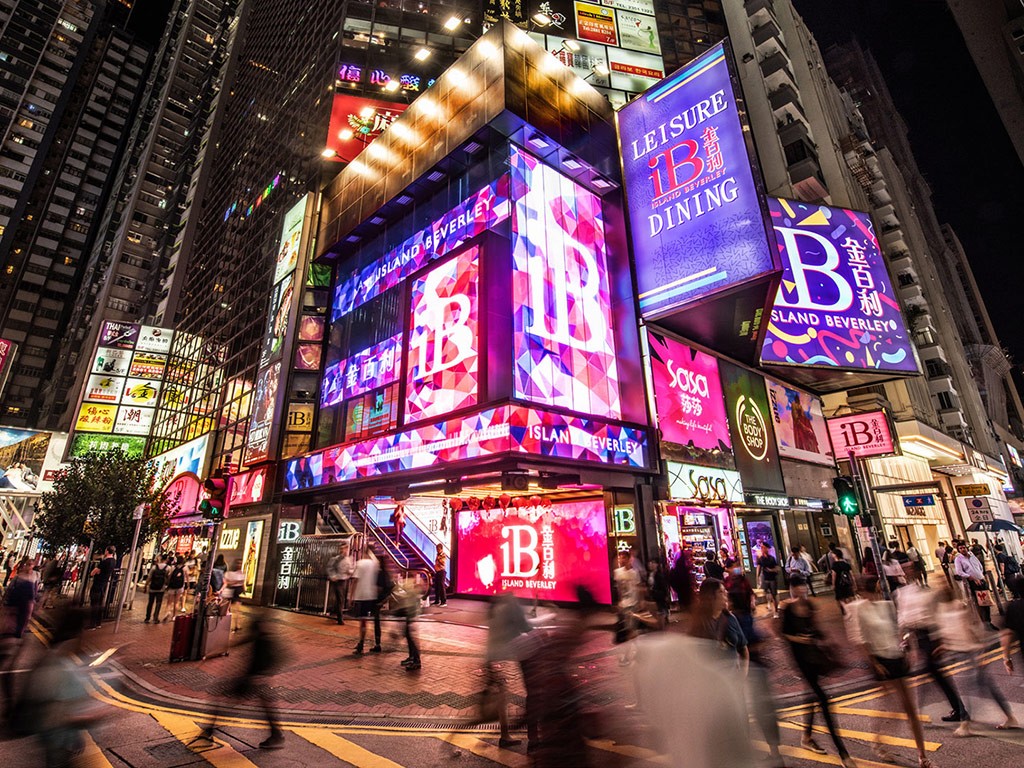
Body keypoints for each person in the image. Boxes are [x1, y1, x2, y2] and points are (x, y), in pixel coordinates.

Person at [844, 591, 935, 768]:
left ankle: (922, 757)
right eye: (866, 591)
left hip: (897, 658)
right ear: (861, 592)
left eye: (874, 590)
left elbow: (899, 630)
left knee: (909, 709)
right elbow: (859, 640)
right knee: (892, 707)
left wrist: (908, 646)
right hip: (881, 662)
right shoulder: (857, 609)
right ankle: (878, 742)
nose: (871, 595)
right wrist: (874, 664)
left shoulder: (886, 606)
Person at [780, 576, 854, 766]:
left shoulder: (810, 606)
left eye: (803, 586)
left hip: (814, 655)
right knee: (822, 699)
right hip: (800, 658)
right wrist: (799, 640)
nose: (800, 590)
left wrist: (824, 639)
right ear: (791, 589)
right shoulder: (787, 609)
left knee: (811, 694)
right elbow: (783, 634)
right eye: (797, 587)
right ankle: (843, 752)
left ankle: (806, 736)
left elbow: (817, 629)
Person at [935, 585, 1018, 734]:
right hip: (959, 652)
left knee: (966, 687)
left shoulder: (960, 606)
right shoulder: (943, 610)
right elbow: (949, 632)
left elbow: (972, 628)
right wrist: (944, 646)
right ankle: (1008, 717)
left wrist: (980, 649)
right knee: (982, 686)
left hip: (971, 651)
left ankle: (966, 724)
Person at [198, 610, 284, 749]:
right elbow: (244, 641)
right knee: (265, 707)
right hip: (253, 679)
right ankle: (276, 735)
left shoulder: (266, 641)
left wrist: (264, 676)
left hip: (253, 680)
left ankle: (209, 729)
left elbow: (278, 658)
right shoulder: (261, 636)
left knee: (227, 700)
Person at [895, 580, 968, 723]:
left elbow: (924, 617)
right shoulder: (905, 593)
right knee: (933, 673)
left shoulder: (918, 593)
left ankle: (959, 710)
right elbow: (906, 619)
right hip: (921, 636)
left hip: (927, 636)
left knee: (933, 672)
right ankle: (958, 709)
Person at [485, 592, 532, 748]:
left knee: (500, 698)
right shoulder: (511, 604)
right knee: (503, 698)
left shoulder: (495, 605)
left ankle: (505, 734)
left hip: (491, 657)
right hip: (503, 659)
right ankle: (507, 735)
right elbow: (525, 626)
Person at [953, 542, 995, 629]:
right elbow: (959, 572)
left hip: (981, 580)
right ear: (958, 550)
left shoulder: (972, 556)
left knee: (986, 601)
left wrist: (980, 576)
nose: (963, 549)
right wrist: (971, 577)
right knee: (980, 603)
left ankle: (989, 621)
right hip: (973, 582)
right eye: (960, 548)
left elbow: (979, 566)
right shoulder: (958, 559)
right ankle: (985, 623)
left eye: (964, 547)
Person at [352, 545, 382, 654]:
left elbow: (355, 580)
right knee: (375, 620)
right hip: (373, 596)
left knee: (363, 621)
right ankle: (377, 643)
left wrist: (351, 595)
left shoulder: (360, 563)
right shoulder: (376, 564)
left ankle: (361, 643)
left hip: (362, 595)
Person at [614, 551, 642, 660]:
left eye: (623, 558)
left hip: (632, 604)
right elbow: (619, 590)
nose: (621, 560)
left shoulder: (634, 573)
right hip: (623, 605)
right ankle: (635, 651)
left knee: (630, 628)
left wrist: (639, 602)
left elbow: (638, 588)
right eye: (620, 558)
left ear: (629, 559)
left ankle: (628, 654)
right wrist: (618, 603)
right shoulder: (618, 572)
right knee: (628, 629)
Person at [394, 572, 424, 670]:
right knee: (408, 635)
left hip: (410, 612)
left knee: (410, 637)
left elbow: (404, 595)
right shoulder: (413, 584)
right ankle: (412, 657)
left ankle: (416, 660)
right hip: (411, 612)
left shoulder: (409, 583)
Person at [88, 546, 117, 630]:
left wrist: (95, 572)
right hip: (104, 584)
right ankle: (98, 623)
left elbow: (93, 572)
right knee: (100, 603)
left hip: (97, 584)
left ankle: (92, 624)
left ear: (107, 551)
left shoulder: (105, 561)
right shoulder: (113, 561)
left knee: (94, 604)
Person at [326, 541, 354, 624]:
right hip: (338, 581)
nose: (346, 550)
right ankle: (340, 618)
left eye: (347, 548)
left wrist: (350, 571)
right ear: (341, 549)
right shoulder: (336, 559)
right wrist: (333, 576)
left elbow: (350, 569)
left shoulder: (348, 559)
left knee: (341, 599)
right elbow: (330, 568)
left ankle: (337, 614)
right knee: (340, 599)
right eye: (344, 548)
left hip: (345, 580)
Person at [161, 556, 187, 623]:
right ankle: (174, 616)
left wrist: (168, 585)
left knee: (169, 602)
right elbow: (187, 578)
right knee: (176, 602)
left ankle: (167, 613)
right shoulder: (185, 568)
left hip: (172, 586)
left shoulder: (173, 567)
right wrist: (188, 586)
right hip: (180, 586)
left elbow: (169, 576)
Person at [144, 555, 170, 624]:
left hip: (152, 587)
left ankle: (147, 618)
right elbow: (169, 579)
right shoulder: (168, 568)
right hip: (161, 588)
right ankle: (155, 618)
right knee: (158, 603)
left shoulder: (154, 567)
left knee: (150, 603)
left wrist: (145, 586)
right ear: (167, 559)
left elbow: (149, 577)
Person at [756, 544, 780, 617]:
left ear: (767, 548)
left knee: (774, 594)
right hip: (765, 578)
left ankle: (776, 611)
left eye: (764, 548)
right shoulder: (761, 558)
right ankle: (769, 606)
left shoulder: (772, 558)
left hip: (772, 579)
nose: (762, 549)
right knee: (767, 593)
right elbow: (758, 567)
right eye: (761, 548)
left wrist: (771, 570)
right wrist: (757, 577)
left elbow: (777, 569)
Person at [647, 557, 670, 628]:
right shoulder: (649, 574)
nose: (651, 564)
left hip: (659, 598)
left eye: (653, 563)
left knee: (660, 613)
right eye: (650, 563)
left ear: (657, 564)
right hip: (653, 598)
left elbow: (663, 588)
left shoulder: (659, 575)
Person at [433, 543, 447, 607]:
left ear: (441, 549)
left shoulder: (443, 555)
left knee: (441, 587)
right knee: (437, 587)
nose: (437, 550)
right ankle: (437, 601)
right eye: (436, 549)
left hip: (442, 571)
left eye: (438, 549)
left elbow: (443, 562)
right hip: (437, 571)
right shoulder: (437, 554)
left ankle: (443, 602)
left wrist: (438, 558)